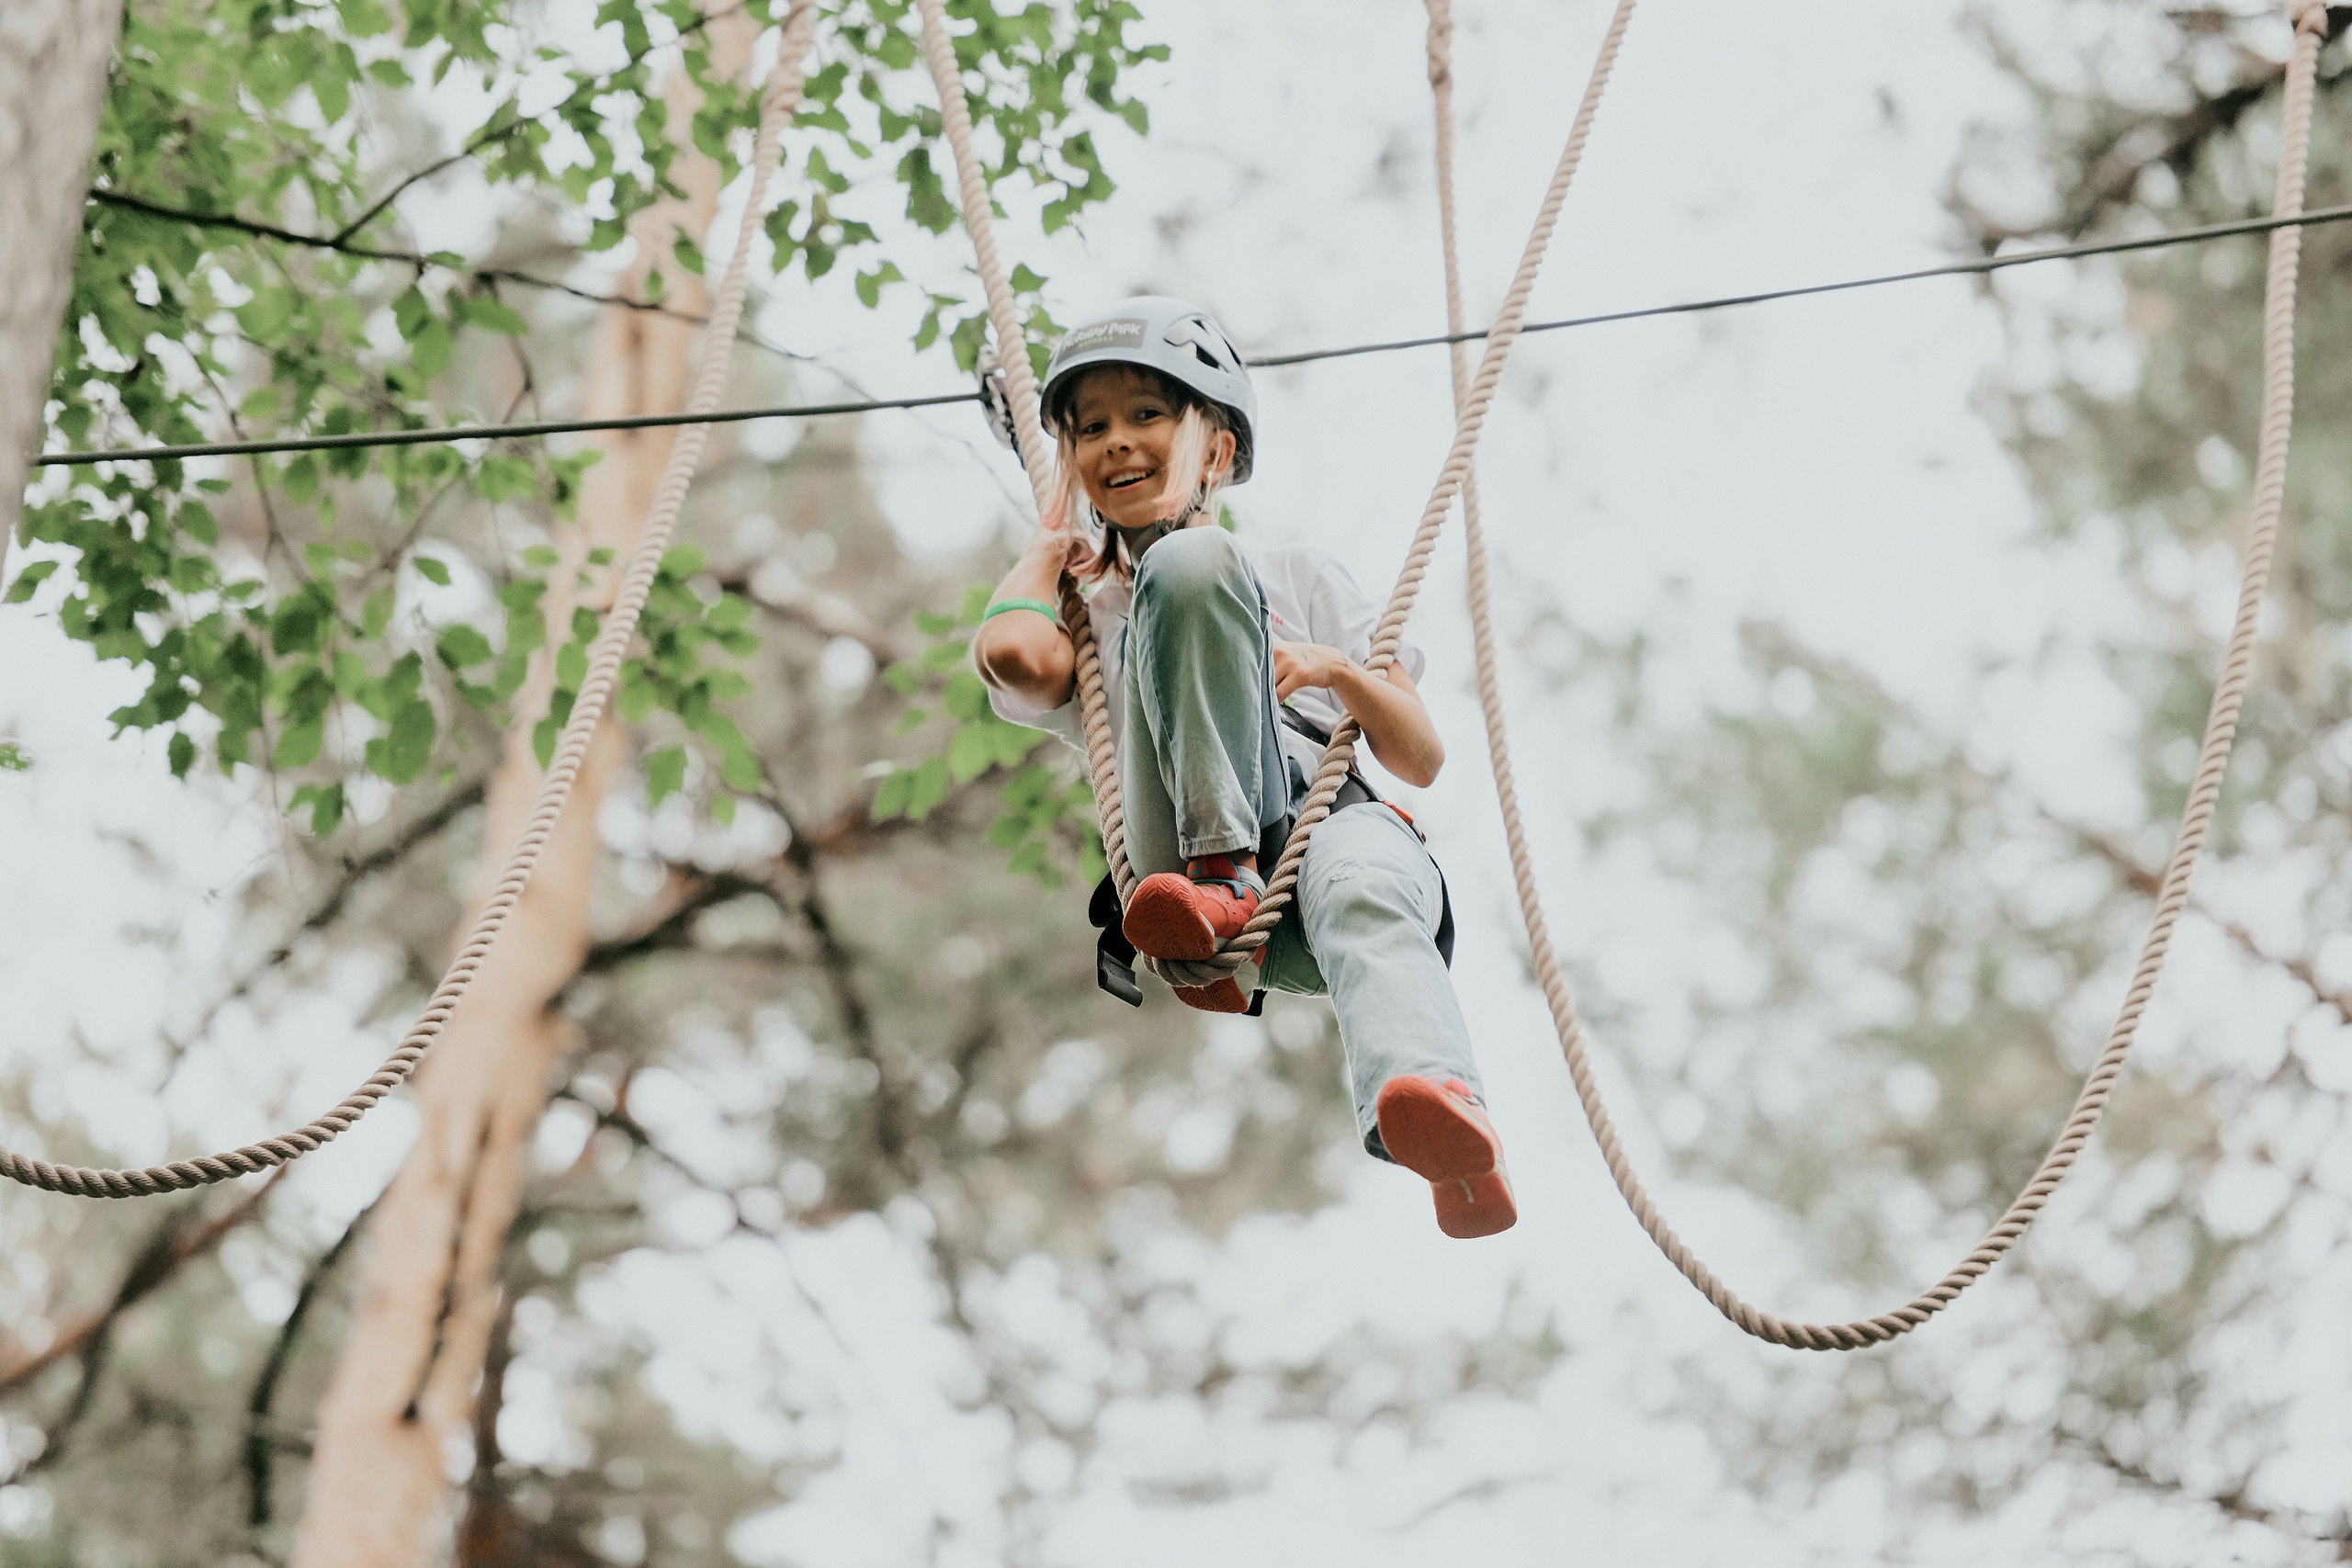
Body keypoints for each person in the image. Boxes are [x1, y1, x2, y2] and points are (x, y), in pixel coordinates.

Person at [971, 297, 1515, 1239]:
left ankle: (1432, 1112)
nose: (1116, 443)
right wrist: (1044, 544)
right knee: (1181, 569)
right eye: (1091, 428)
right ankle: (1219, 872)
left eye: (1146, 415)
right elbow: (1017, 660)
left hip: (1318, 843)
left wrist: (1335, 668)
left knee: (1368, 880)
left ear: (1215, 451)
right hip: (1179, 876)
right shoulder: (1090, 617)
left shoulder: (1299, 576)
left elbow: (1418, 757)